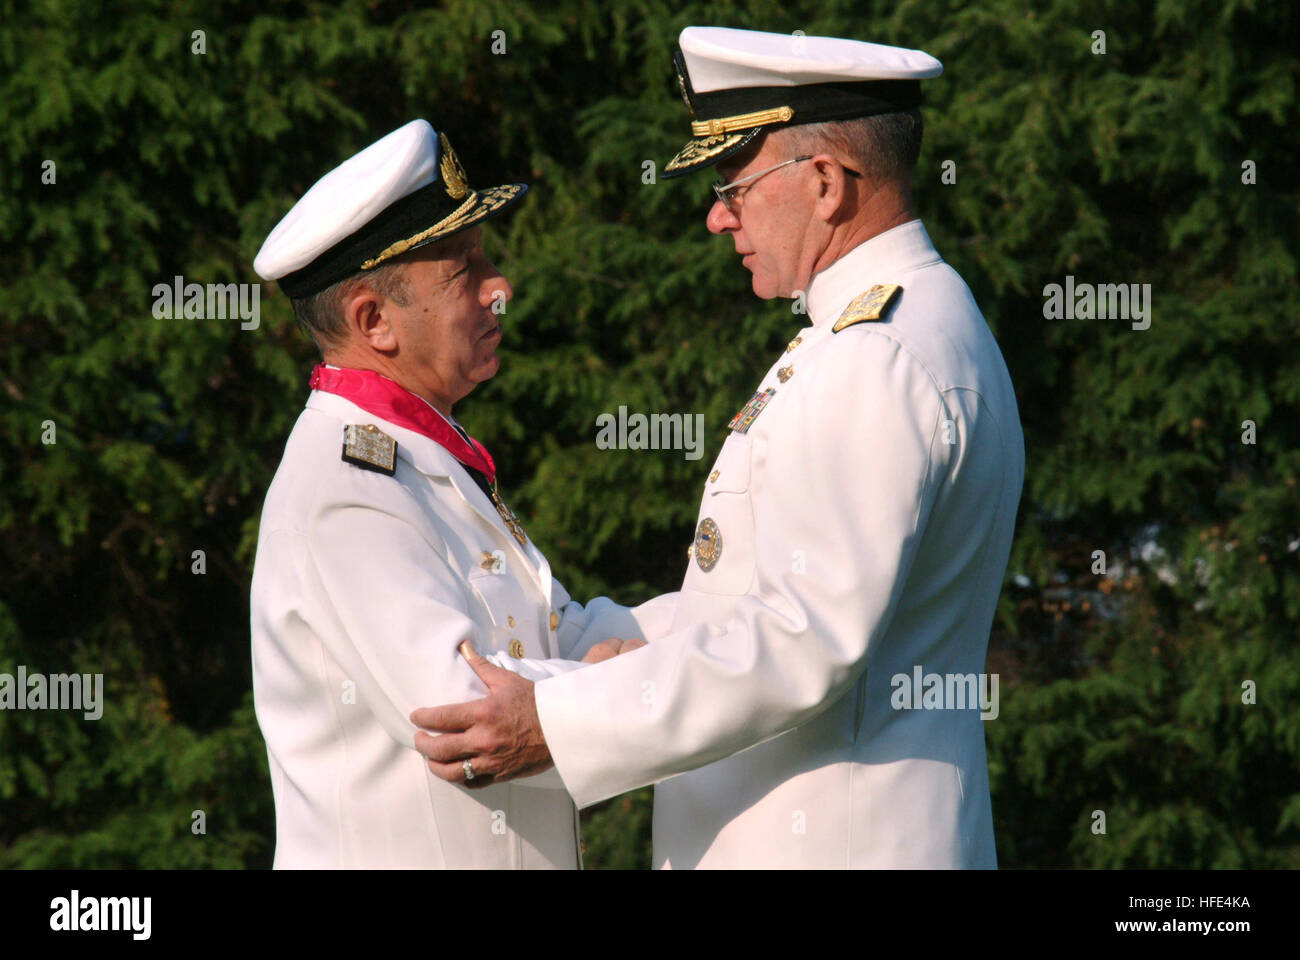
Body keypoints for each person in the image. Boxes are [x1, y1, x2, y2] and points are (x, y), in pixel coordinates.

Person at [411, 27, 1026, 869]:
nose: (716, 216)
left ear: (826, 183)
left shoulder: (872, 355)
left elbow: (802, 641)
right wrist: (595, 643)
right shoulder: (912, 323)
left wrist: (560, 723)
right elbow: (767, 597)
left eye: (734, 185)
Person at [249, 119, 645, 869]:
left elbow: (559, 633)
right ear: (375, 321)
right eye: (465, 270)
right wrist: (628, 681)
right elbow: (460, 715)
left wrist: (722, 626)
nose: (502, 288)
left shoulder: (415, 457)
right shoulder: (345, 488)